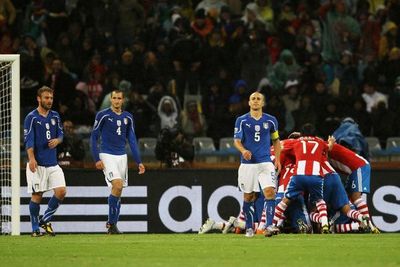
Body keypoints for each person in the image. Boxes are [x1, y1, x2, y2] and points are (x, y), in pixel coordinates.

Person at [91, 89, 145, 234]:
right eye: (114, 98)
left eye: (119, 98)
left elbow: (132, 140)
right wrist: (96, 158)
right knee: (118, 184)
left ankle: (113, 226)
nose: (116, 101)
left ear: (123, 100)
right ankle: (111, 223)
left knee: (118, 191)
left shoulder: (128, 117)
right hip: (107, 154)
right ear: (110, 100)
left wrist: (139, 161)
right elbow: (94, 137)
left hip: (122, 157)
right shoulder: (103, 115)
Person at [233, 91, 282, 237]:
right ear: (249, 103)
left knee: (270, 193)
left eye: (258, 99)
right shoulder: (241, 120)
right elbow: (236, 140)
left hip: (265, 163)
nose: (255, 101)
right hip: (248, 165)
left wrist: (277, 159)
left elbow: (276, 141)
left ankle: (269, 226)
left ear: (263, 103)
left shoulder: (271, 120)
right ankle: (249, 227)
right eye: (252, 99)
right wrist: (243, 150)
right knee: (249, 197)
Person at [23, 86, 67, 237]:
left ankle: (45, 219)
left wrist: (57, 140)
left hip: (53, 163)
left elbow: (61, 134)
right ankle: (35, 229)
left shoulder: (55, 116)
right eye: (46, 98)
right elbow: (28, 139)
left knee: (61, 191)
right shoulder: (31, 117)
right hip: (38, 163)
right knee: (37, 195)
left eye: (51, 98)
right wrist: (31, 158)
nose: (49, 101)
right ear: (39, 98)